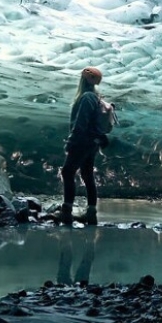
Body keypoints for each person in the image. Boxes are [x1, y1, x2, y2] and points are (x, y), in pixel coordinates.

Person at [59, 66, 114, 226]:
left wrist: (71, 143)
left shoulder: (86, 98)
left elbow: (80, 124)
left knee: (67, 172)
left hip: (83, 142)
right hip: (93, 142)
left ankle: (66, 211)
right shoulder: (96, 97)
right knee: (87, 174)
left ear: (82, 79)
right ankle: (91, 212)